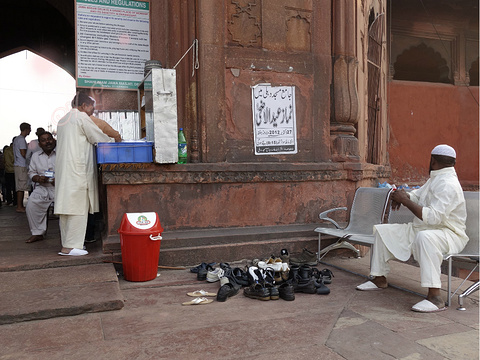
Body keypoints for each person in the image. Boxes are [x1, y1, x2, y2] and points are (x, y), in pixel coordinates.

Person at [356, 144, 468, 313]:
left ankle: (435, 297)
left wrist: (406, 202)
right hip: (424, 228)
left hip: (449, 234)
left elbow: (433, 217)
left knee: (426, 238)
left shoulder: (448, 184)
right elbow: (418, 195)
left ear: (433, 161)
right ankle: (379, 279)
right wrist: (401, 196)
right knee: (382, 231)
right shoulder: (437, 178)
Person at [55, 92, 112, 256]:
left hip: (66, 170)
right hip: (77, 171)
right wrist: (113, 142)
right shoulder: (81, 117)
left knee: (67, 208)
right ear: (83, 106)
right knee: (77, 207)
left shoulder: (63, 119)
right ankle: (72, 246)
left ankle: (67, 244)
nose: (92, 112)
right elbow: (98, 138)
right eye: (91, 108)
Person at [25, 132, 56, 243]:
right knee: (31, 204)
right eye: (43, 140)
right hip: (43, 187)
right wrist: (38, 178)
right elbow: (31, 173)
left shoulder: (62, 153)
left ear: (54, 140)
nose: (47, 142)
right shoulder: (35, 156)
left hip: (60, 188)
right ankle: (38, 233)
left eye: (49, 139)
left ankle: (68, 235)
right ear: (40, 144)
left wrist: (59, 180)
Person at [13, 123, 31, 212]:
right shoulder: (21, 140)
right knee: (21, 187)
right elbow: (23, 153)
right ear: (26, 129)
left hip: (18, 165)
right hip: (22, 165)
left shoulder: (17, 139)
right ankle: (20, 206)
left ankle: (20, 206)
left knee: (20, 186)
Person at [3, 142, 16, 206]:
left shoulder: (6, 150)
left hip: (7, 170)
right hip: (14, 170)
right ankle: (15, 201)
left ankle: (9, 200)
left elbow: (4, 160)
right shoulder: (15, 150)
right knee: (15, 187)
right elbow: (14, 160)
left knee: (8, 187)